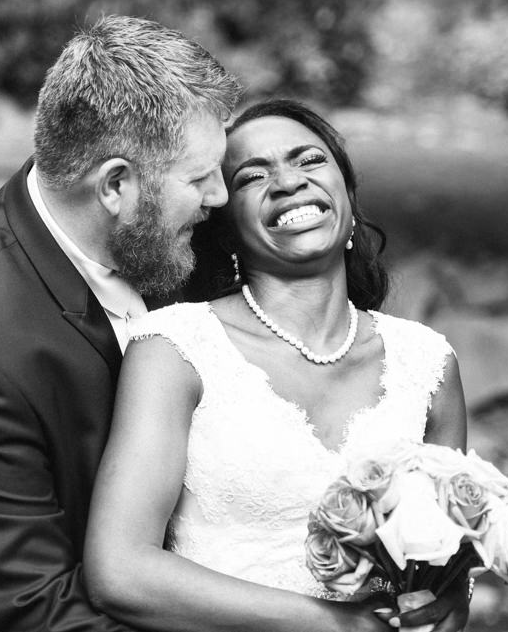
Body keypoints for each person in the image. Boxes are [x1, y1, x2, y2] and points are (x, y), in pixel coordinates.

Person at [0, 15, 240, 632]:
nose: (220, 197)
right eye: (199, 179)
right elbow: (34, 615)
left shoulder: (160, 244)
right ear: (116, 185)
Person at [83, 99, 471, 632]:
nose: (288, 182)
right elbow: (120, 572)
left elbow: (444, 560)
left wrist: (450, 600)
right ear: (225, 228)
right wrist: (335, 625)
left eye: (309, 160)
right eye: (251, 176)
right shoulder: (176, 350)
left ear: (348, 197)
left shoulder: (429, 364)